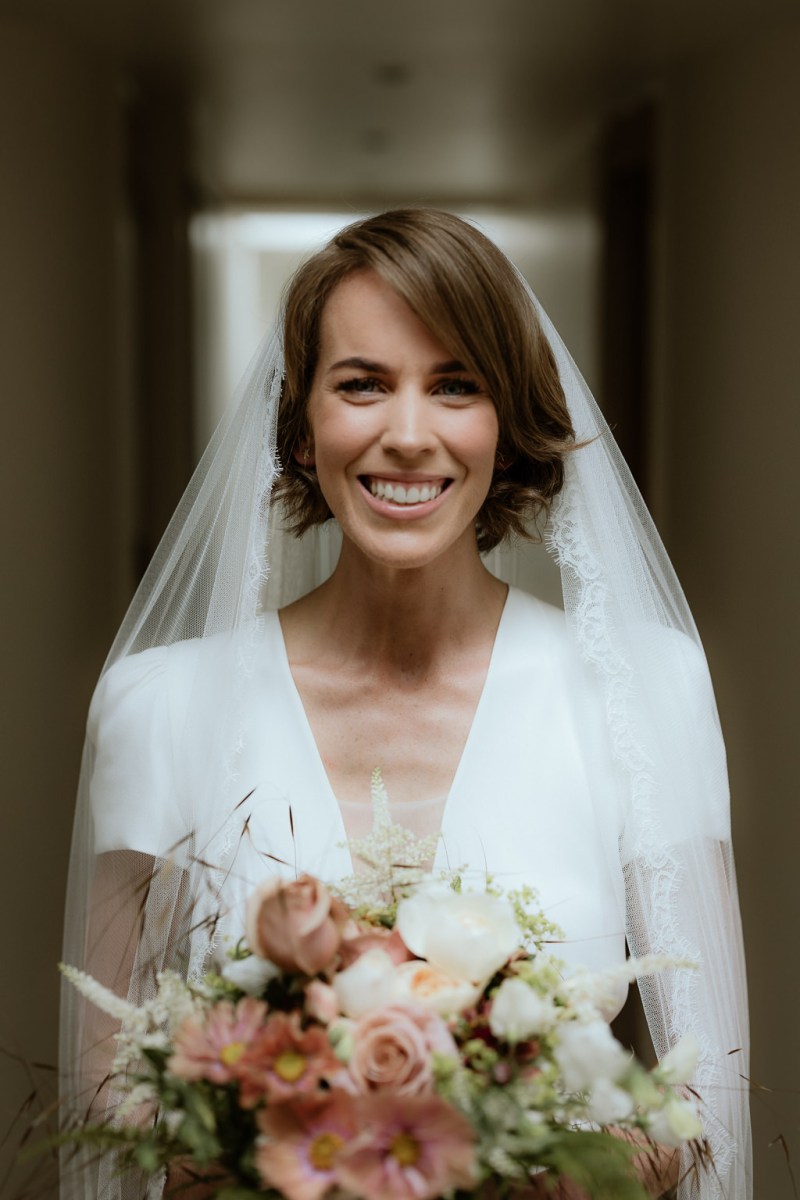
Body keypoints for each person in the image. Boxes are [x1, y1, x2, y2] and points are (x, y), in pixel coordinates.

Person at [60, 209, 750, 1199]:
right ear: (298, 427)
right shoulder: (156, 705)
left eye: (456, 384)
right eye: (361, 385)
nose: (409, 434)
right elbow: (107, 1119)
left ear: (506, 424)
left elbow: (706, 1102)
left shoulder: (646, 688)